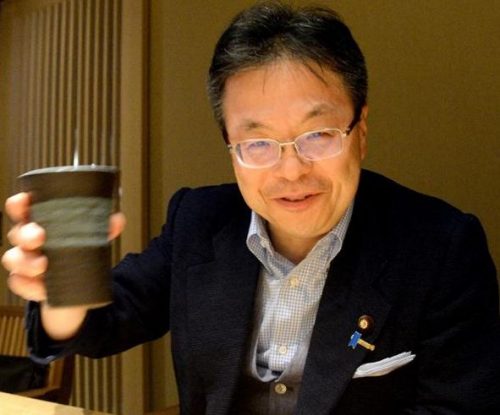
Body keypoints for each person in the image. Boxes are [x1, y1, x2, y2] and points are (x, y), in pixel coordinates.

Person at [2, 2, 500, 414]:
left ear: (360, 131)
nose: (291, 171)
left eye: (318, 134)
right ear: (230, 147)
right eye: (257, 143)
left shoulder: (441, 248)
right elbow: (101, 326)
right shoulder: (198, 221)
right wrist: (60, 287)